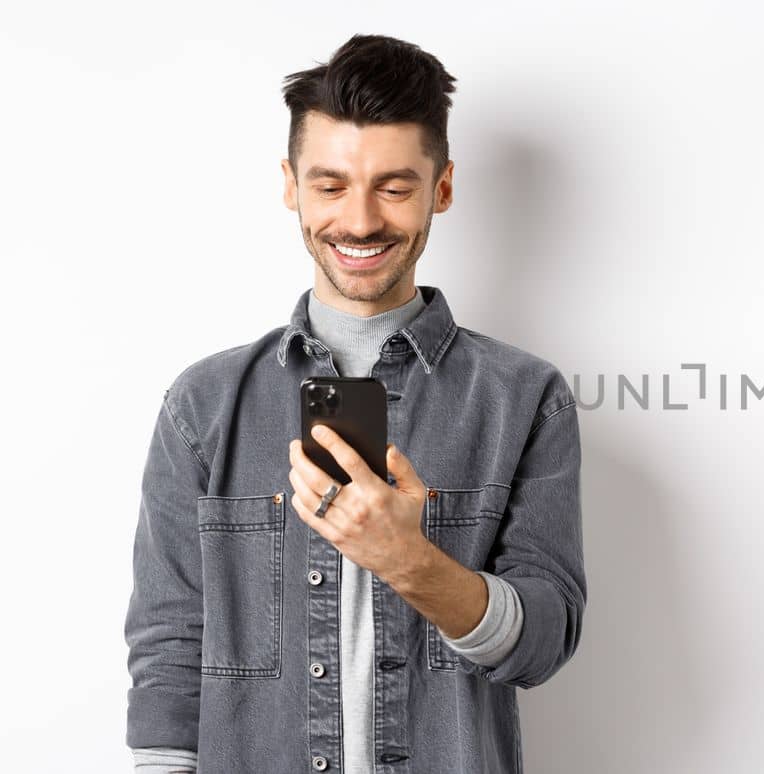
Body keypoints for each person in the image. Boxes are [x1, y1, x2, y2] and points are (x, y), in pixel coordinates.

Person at [123, 34, 586, 773]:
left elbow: (544, 641)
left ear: (442, 187)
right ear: (290, 185)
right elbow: (171, 645)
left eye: (395, 187)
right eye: (331, 185)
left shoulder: (525, 398)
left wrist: (410, 562)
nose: (362, 221)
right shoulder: (203, 404)